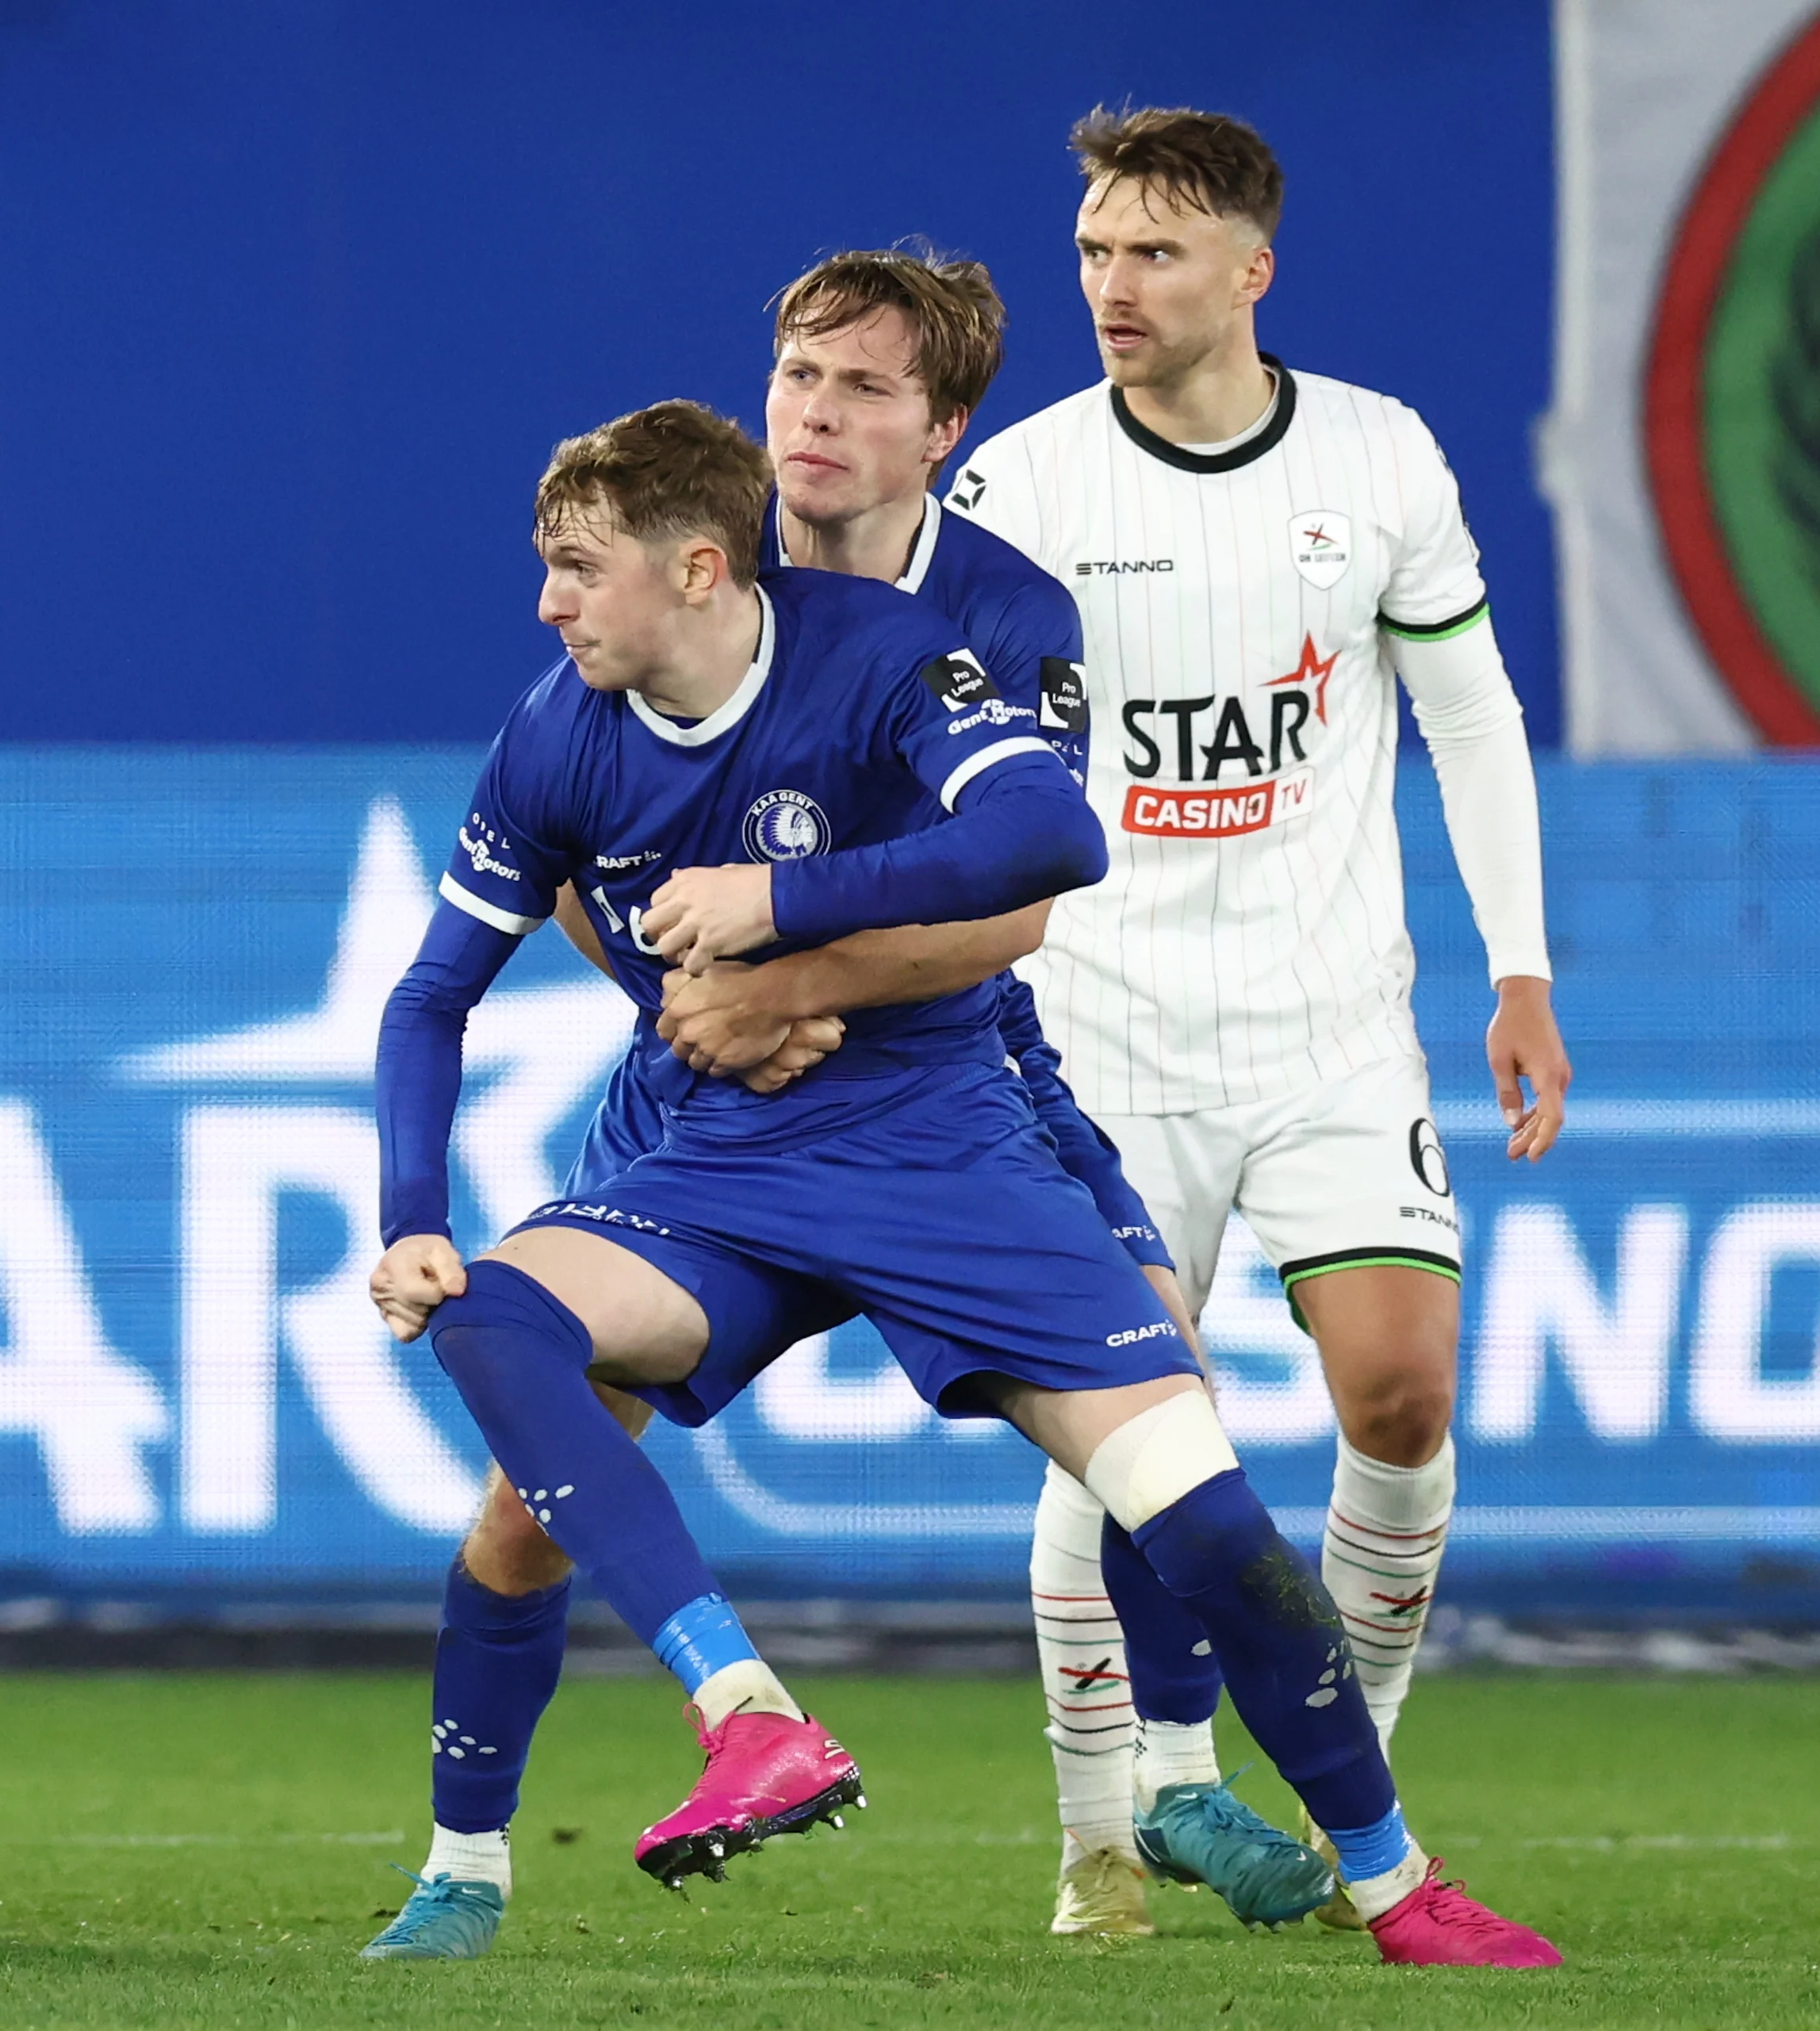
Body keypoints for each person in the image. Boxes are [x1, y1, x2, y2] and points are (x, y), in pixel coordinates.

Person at [368, 397, 1558, 1968]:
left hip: (942, 1129)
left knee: (1201, 1517)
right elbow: (430, 991)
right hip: (713, 1147)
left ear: (703, 568)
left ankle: (1396, 1880)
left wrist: (781, 907)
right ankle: (693, 1740)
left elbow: (1048, 837)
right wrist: (409, 1215)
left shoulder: (886, 648)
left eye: (578, 567)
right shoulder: (558, 727)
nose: (549, 600)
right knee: (496, 1329)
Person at [364, 251, 1249, 1963]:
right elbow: (580, 842)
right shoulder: (688, 577)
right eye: (796, 377)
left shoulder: (1002, 612)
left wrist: (792, 979)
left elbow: (1023, 902)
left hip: (952, 1077)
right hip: (711, 1106)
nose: (814, 416)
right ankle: (465, 1861)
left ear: (945, 429)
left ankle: (1173, 1774)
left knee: (1170, 1398)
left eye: (858, 389)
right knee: (523, 1491)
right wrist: (684, 1002)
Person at [940, 105, 1569, 1923]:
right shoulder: (1029, 485)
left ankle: (1335, 1761)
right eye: (1090, 252)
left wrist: (1520, 968)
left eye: (1148, 252)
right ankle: (1102, 1834)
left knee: (1401, 1389)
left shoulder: (1377, 458)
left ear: (1248, 271)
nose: (1110, 287)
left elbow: (1471, 717)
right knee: (1134, 1419)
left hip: (1328, 1025)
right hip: (1094, 1031)